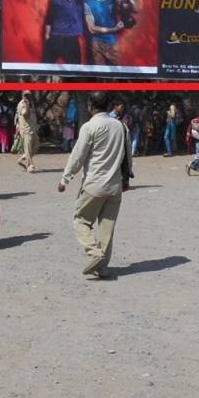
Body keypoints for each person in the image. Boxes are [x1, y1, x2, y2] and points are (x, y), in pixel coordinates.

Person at [57, 91, 131, 279]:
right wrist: (126, 178)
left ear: (90, 105)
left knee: (80, 220)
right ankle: (102, 268)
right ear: (109, 105)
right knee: (107, 227)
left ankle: (95, 253)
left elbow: (78, 156)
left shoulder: (89, 127)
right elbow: (127, 156)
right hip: (114, 187)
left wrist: (65, 178)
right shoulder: (121, 127)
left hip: (94, 185)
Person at [84, 0, 132, 66]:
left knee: (116, 75)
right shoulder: (88, 3)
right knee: (98, 77)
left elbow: (135, 10)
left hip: (112, 42)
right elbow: (91, 29)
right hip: (96, 44)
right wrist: (114, 29)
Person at [42, 0, 87, 65]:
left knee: (76, 73)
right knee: (45, 68)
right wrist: (47, 36)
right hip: (55, 37)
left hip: (72, 39)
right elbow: (49, 18)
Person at [16, 90, 38, 172]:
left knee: (36, 146)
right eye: (26, 95)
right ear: (23, 96)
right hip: (26, 130)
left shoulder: (31, 103)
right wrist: (27, 105)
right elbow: (26, 115)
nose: (27, 97)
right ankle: (30, 166)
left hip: (33, 128)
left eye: (29, 95)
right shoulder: (22, 104)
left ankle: (22, 159)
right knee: (28, 148)